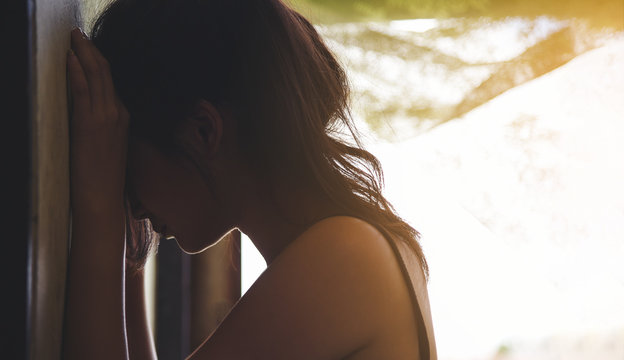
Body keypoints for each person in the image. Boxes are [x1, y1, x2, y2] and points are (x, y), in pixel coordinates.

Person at [63, 0, 437, 359]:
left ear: (204, 131)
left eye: (127, 161)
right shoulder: (369, 246)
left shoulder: (348, 258)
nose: (132, 199)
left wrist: (97, 206)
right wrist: (123, 245)